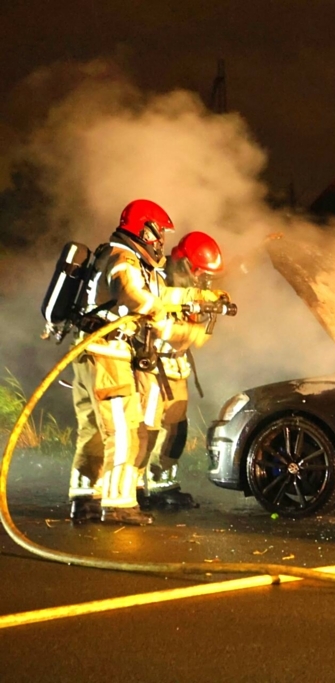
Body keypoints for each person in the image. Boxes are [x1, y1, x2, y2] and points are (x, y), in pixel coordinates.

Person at [68, 199, 210, 525]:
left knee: (92, 431)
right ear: (142, 228)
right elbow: (135, 296)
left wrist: (197, 298)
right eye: (158, 232)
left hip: (91, 353)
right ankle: (118, 503)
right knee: (125, 431)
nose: (160, 241)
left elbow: (155, 294)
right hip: (108, 353)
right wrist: (179, 329)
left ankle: (85, 498)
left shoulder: (114, 254)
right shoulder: (122, 258)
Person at [138, 231, 226, 509]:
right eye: (200, 272)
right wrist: (192, 333)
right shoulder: (158, 278)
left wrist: (210, 302)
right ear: (186, 263)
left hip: (175, 365)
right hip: (151, 364)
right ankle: (134, 487)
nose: (202, 278)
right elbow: (155, 321)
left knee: (176, 429)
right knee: (146, 428)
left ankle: (163, 485)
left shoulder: (188, 283)